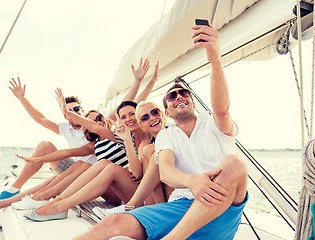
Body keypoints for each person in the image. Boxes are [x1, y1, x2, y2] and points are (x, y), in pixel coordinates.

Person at [73, 23, 248, 240]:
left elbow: (222, 109)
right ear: (167, 111)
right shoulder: (167, 135)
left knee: (234, 164)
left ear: (192, 101)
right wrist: (192, 181)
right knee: (111, 223)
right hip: (180, 206)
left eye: (183, 93)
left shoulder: (214, 123)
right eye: (172, 97)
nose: (179, 97)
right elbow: (165, 172)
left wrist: (214, 58)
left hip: (220, 205)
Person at [22, 96, 166, 221]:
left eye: (132, 114)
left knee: (105, 167)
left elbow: (137, 173)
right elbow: (78, 142)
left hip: (148, 195)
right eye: (123, 117)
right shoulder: (123, 138)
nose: (128, 119)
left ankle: (58, 204)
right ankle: (55, 202)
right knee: (98, 164)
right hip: (132, 189)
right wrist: (40, 159)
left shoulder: (151, 140)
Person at [0, 77, 98, 200]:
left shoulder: (95, 123)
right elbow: (41, 119)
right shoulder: (66, 128)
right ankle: (14, 189)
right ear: (65, 116)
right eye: (69, 111)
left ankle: (30, 199)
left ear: (83, 110)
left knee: (55, 179)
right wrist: (22, 98)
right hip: (74, 169)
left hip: (93, 172)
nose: (74, 113)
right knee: (45, 145)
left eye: (76, 109)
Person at [92, 101, 173, 219]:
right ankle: (159, 210)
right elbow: (137, 174)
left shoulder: (172, 132)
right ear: (141, 124)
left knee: (150, 151)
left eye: (154, 112)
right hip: (157, 194)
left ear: (162, 113)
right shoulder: (145, 145)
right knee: (108, 166)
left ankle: (132, 207)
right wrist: (127, 140)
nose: (152, 118)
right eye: (145, 118)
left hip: (175, 186)